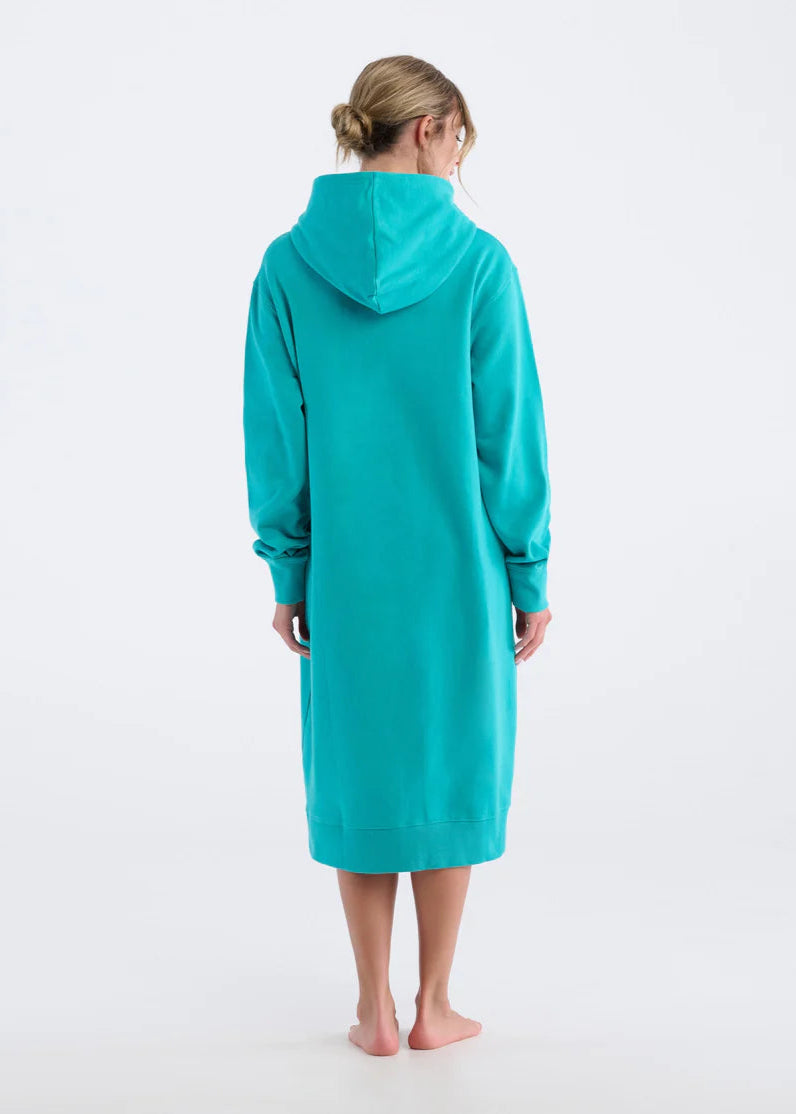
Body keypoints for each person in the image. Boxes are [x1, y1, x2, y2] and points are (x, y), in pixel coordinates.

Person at [242, 55, 552, 1056]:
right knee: (448, 771)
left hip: (347, 578)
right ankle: (434, 1004)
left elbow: (276, 440)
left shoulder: (287, 266)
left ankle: (373, 1009)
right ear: (429, 129)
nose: (460, 160)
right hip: (460, 575)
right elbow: (508, 438)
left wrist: (290, 570)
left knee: (364, 775)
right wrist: (528, 571)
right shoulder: (479, 264)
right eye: (460, 140)